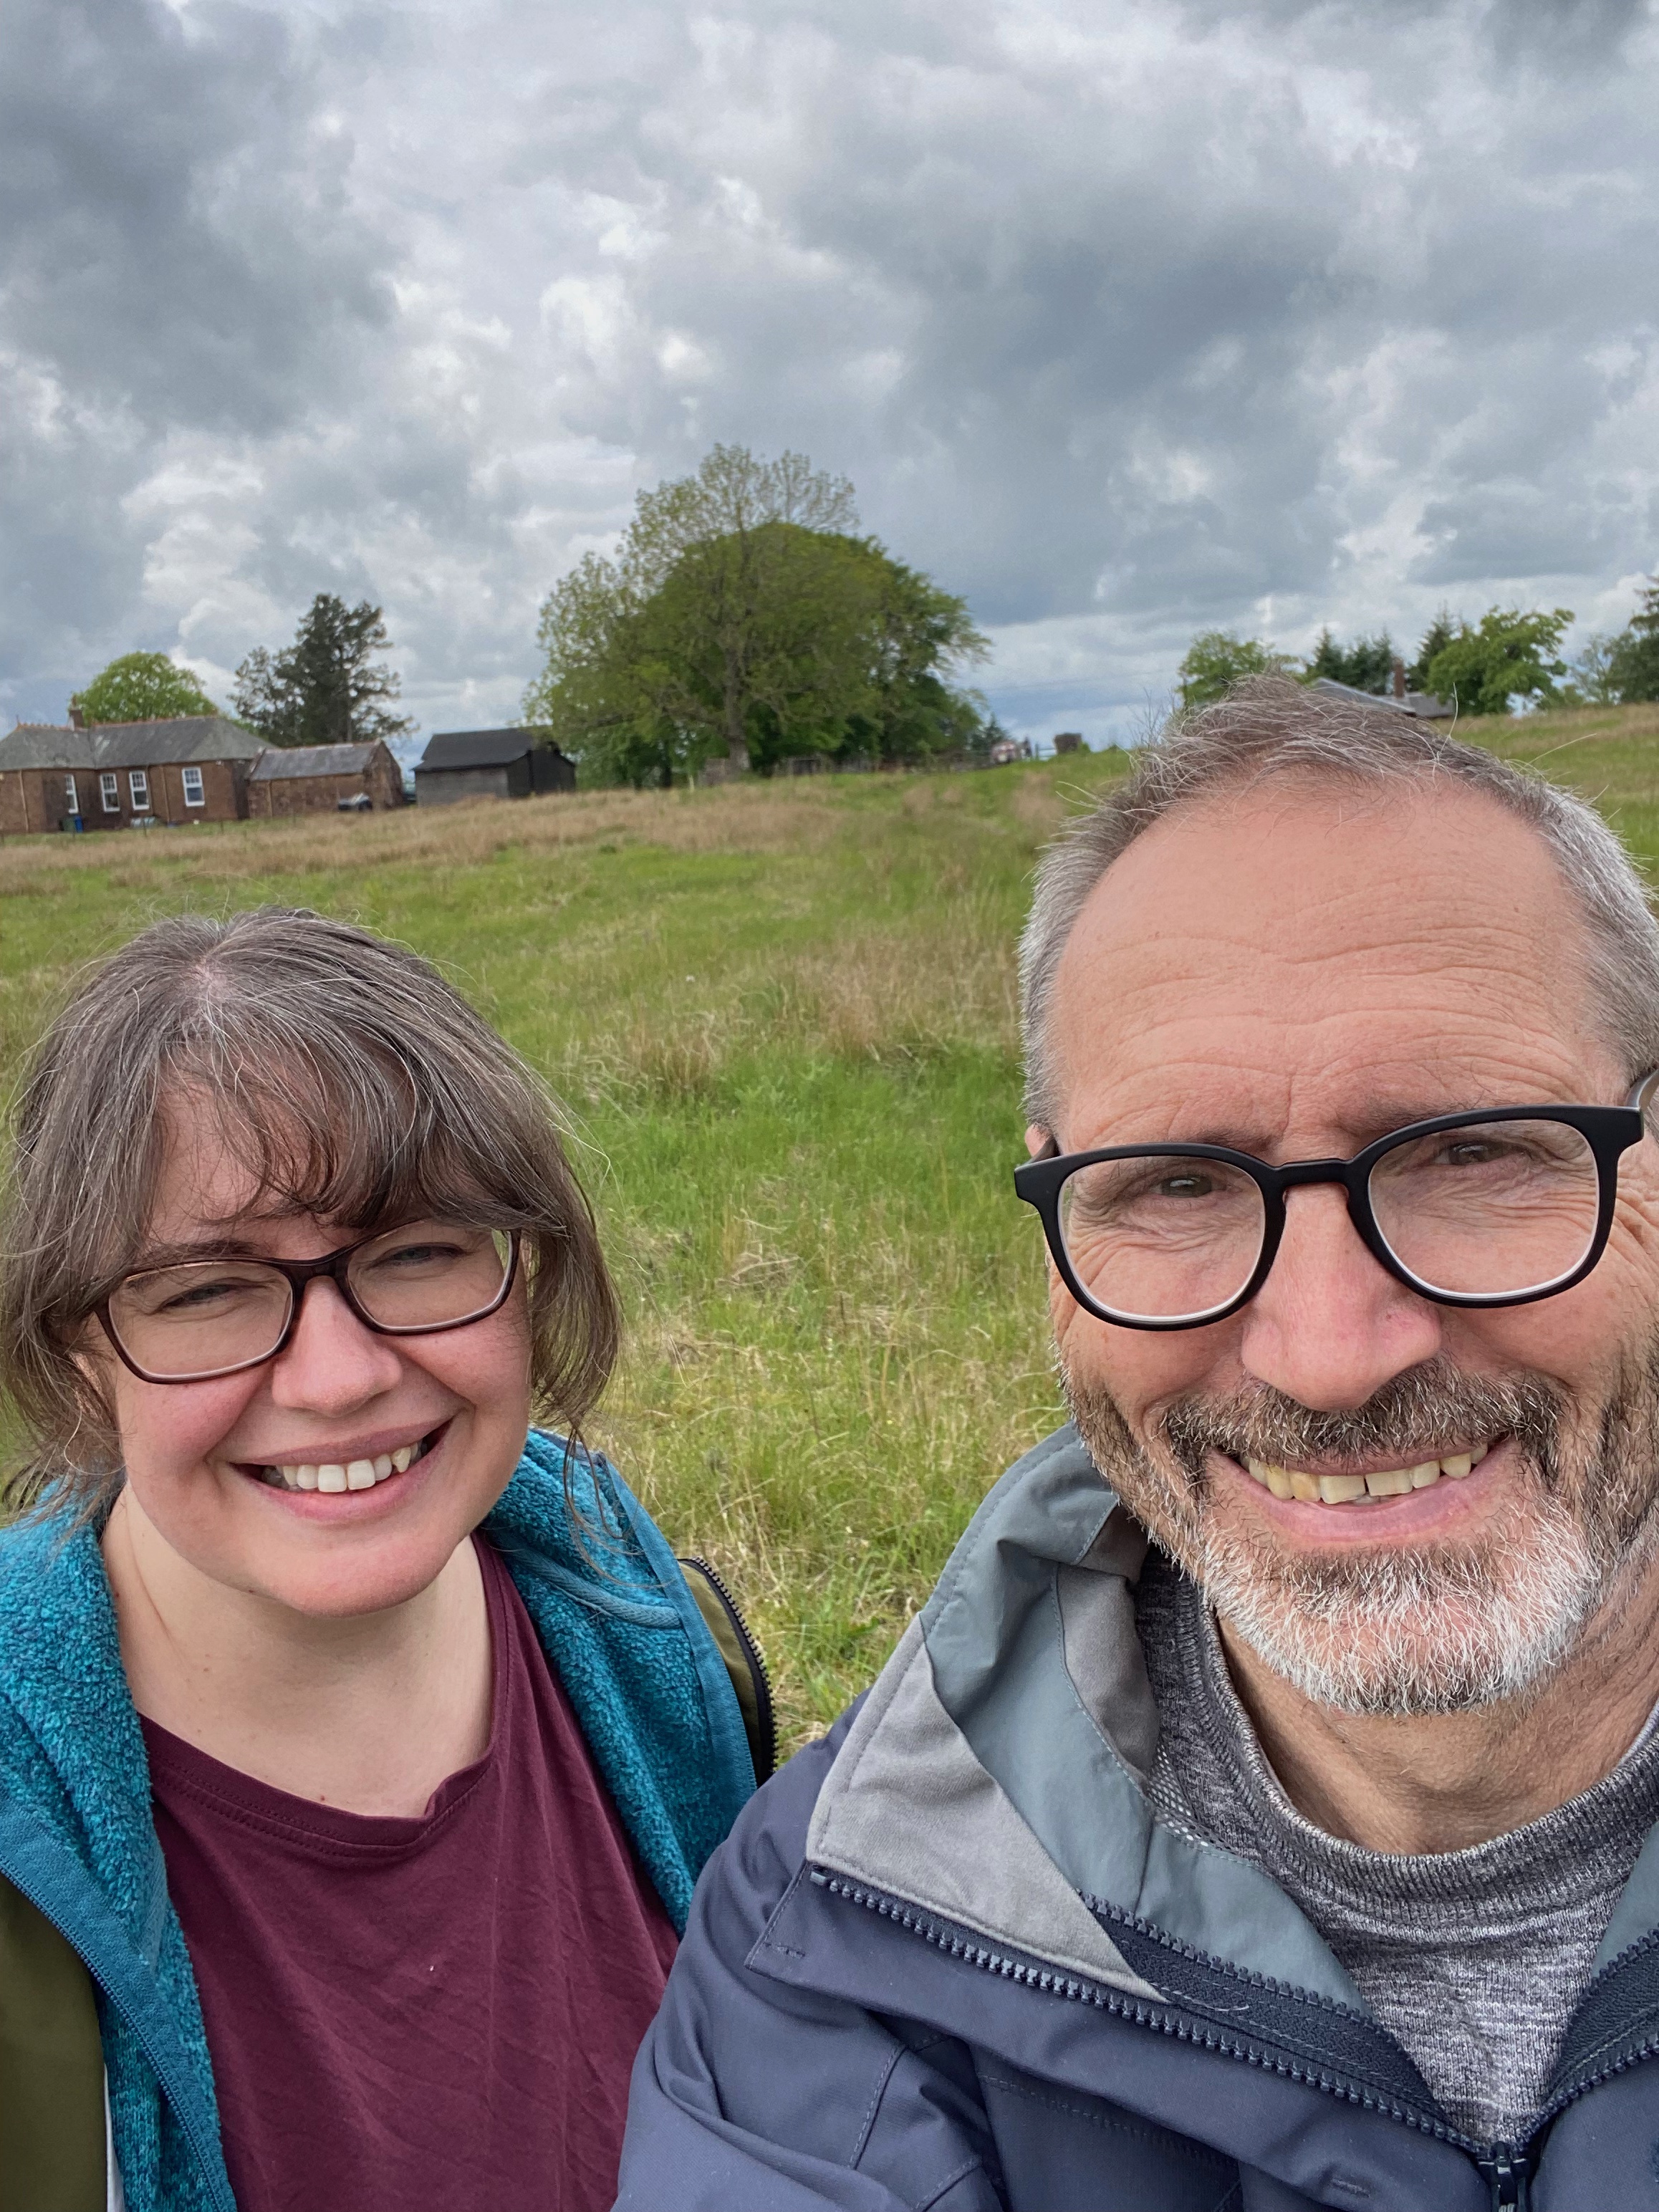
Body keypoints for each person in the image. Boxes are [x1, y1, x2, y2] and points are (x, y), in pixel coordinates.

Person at [618, 680, 1659, 2209]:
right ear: (1055, 1227)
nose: (1327, 1352)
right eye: (1176, 1183)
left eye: (1473, 1151)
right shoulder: (846, 1931)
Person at [0, 908, 769, 2212]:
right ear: (81, 1345)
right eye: (205, 1290)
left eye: (417, 1253)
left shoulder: (645, 1637)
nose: (344, 1376)